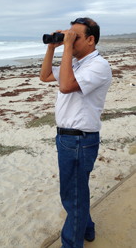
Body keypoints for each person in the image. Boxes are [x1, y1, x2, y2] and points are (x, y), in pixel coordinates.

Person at [40, 17, 112, 248]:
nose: (70, 39)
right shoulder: (77, 64)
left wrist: (67, 48)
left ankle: (71, 244)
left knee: (73, 196)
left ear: (91, 40)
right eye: (68, 35)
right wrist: (53, 47)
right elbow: (45, 76)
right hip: (67, 138)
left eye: (75, 36)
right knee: (76, 192)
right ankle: (87, 229)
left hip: (79, 140)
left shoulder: (98, 66)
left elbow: (65, 85)